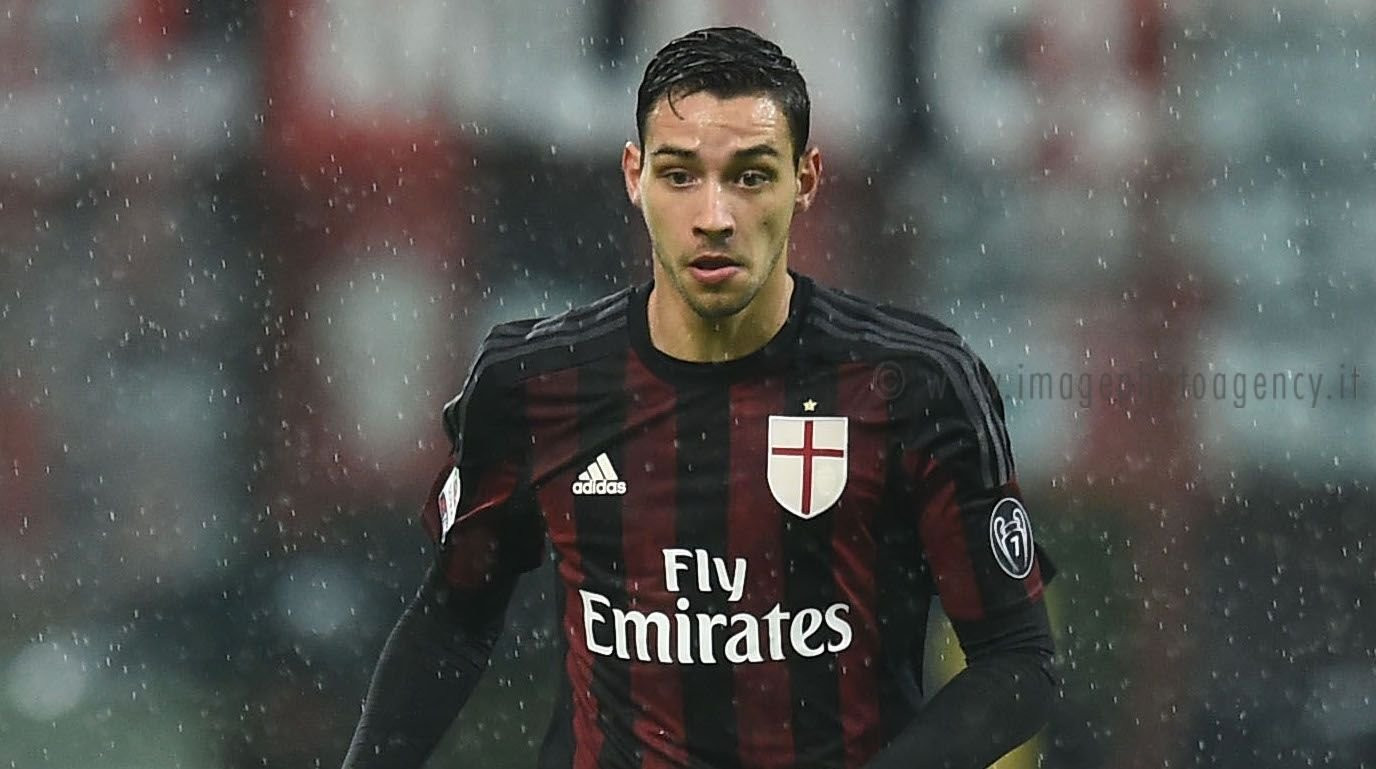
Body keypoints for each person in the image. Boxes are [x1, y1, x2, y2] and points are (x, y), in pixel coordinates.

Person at [342, 26, 1057, 769]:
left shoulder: (915, 385)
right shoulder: (533, 383)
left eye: (750, 176)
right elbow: (453, 621)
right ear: (634, 176)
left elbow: (1016, 661)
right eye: (681, 175)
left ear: (805, 179)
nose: (714, 216)